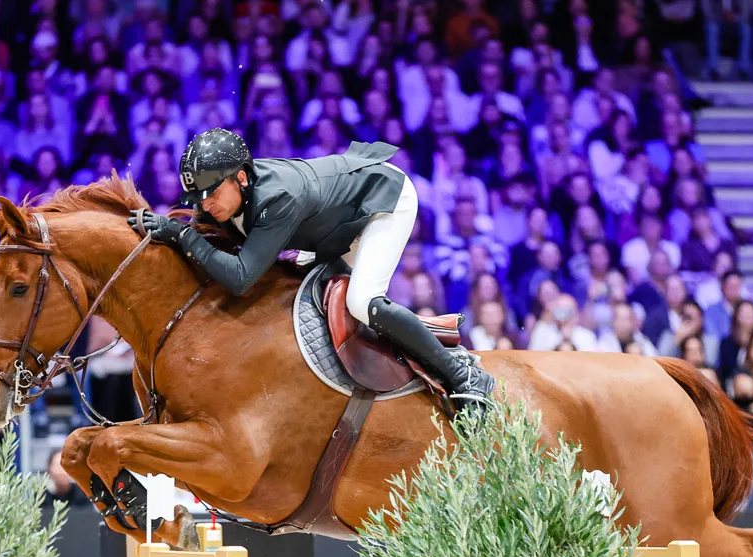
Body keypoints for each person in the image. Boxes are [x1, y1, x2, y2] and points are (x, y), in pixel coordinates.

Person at [131, 128, 494, 412]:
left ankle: (462, 376)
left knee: (362, 302)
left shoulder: (278, 198)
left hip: (382, 200)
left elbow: (240, 279)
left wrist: (181, 235)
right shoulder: (235, 195)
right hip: (335, 220)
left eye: (211, 194)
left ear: (241, 178)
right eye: (200, 199)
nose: (206, 206)